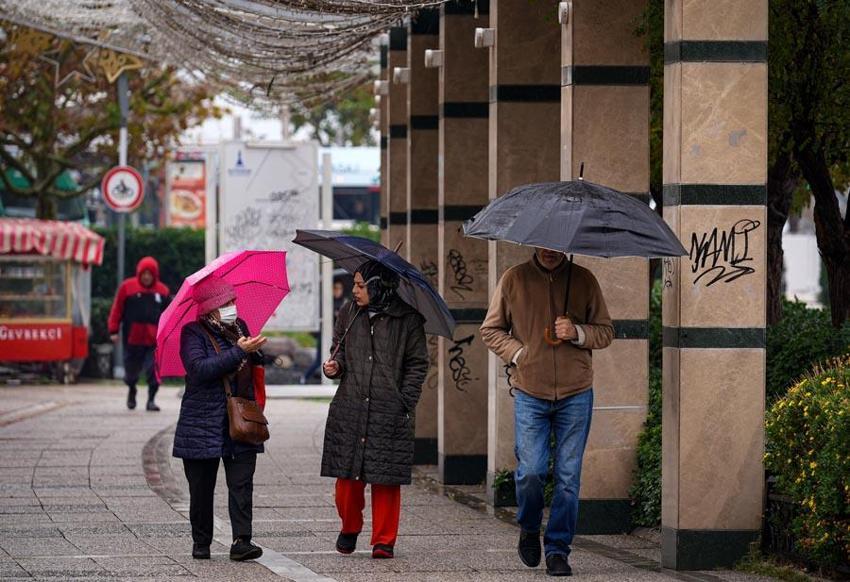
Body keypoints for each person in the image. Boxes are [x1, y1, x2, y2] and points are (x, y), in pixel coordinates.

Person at [480, 248, 614, 577]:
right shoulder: (514, 279)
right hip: (530, 392)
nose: (550, 251)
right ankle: (529, 527)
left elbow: (605, 332)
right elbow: (491, 330)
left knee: (568, 478)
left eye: (555, 246)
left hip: (576, 392)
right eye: (543, 245)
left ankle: (557, 549)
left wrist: (577, 332)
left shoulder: (584, 279)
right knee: (531, 472)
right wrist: (519, 353)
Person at [321, 261, 428, 560]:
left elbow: (418, 364)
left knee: (386, 479)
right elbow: (339, 350)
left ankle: (384, 540)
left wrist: (405, 400)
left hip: (389, 409)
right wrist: (335, 366)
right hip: (351, 407)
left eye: (361, 285)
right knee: (346, 480)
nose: (354, 290)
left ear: (378, 286)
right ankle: (350, 526)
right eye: (354, 284)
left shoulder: (408, 320)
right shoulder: (349, 313)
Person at [173, 274, 268, 561]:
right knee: (201, 488)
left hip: (240, 419)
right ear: (211, 307)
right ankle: (201, 542)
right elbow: (199, 369)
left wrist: (256, 354)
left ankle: (242, 541)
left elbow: (248, 369)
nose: (232, 307)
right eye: (226, 303)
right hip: (201, 422)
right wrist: (239, 351)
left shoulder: (241, 328)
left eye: (233, 301)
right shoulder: (193, 333)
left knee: (242, 484)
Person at [108, 256, 170, 411]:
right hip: (132, 339)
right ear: (139, 273)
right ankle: (132, 389)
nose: (147, 277)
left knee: (153, 371)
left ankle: (151, 400)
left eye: (150, 274)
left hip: (154, 341)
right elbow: (117, 309)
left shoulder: (163, 291)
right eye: (144, 273)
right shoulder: (127, 287)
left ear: (155, 275)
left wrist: (169, 334)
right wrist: (113, 330)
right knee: (130, 373)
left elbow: (169, 314)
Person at [301, 276, 352, 384]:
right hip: (325, 334)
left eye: (340, 288)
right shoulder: (326, 303)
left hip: (340, 337)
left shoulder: (346, 303)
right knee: (320, 359)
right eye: (335, 288)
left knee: (340, 358)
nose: (338, 291)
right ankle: (304, 378)